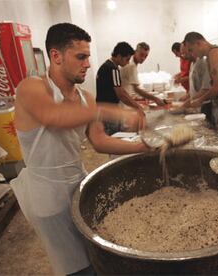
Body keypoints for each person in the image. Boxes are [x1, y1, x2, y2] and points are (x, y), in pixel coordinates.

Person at [11, 23, 148, 275]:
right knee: (75, 267)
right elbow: (54, 117)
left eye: (88, 56)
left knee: (95, 257)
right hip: (47, 193)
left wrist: (145, 146)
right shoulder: (31, 88)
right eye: (81, 57)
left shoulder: (85, 97)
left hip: (78, 184)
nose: (87, 64)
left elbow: (99, 140)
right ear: (56, 56)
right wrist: (112, 110)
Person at [96, 42, 145, 135]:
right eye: (127, 59)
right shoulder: (112, 68)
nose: (127, 62)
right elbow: (121, 94)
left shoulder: (107, 66)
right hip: (108, 110)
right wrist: (137, 107)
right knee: (113, 137)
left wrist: (135, 103)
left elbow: (121, 90)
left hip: (104, 108)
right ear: (119, 56)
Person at [120, 42, 167, 106]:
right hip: (122, 101)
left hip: (125, 97)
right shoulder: (131, 65)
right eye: (141, 55)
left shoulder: (131, 62)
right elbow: (136, 89)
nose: (143, 58)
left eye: (146, 56)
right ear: (135, 52)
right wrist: (155, 99)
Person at [181, 42, 214, 127]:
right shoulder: (193, 63)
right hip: (196, 104)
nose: (183, 56)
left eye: (184, 53)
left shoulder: (203, 63)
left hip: (205, 105)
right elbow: (195, 85)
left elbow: (206, 89)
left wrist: (191, 100)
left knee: (206, 130)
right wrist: (188, 96)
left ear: (190, 50)